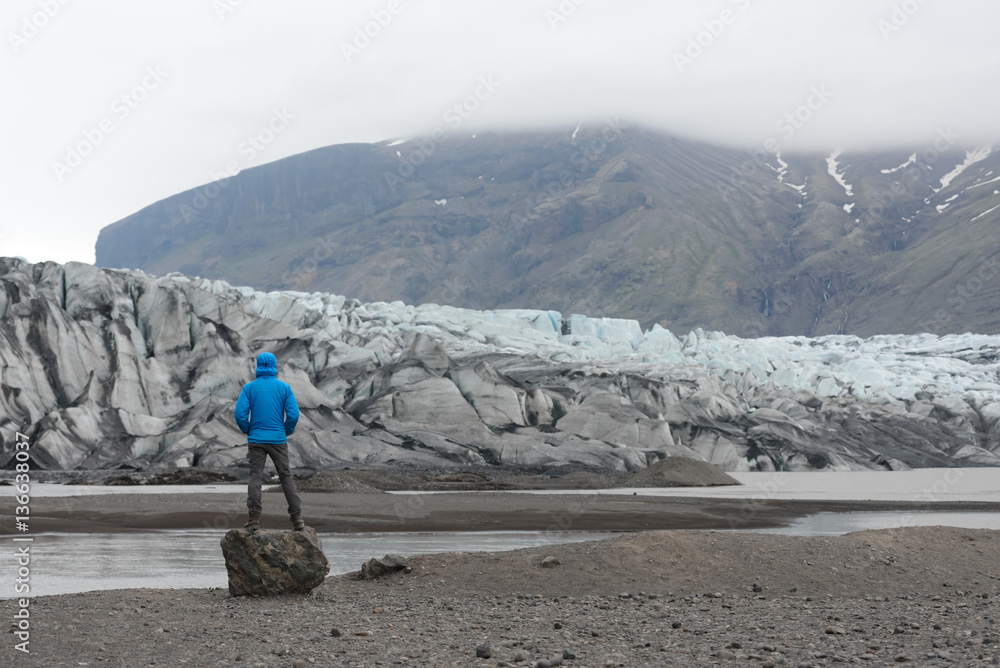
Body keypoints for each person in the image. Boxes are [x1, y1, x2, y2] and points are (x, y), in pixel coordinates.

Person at [234, 352, 304, 531]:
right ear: (274, 366)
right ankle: (297, 519)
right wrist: (285, 430)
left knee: (255, 477)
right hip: (278, 439)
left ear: (258, 366)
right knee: (286, 476)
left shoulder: (249, 388)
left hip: (256, 439)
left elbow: (240, 414)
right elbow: (294, 414)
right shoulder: (284, 388)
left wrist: (248, 429)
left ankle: (254, 519)